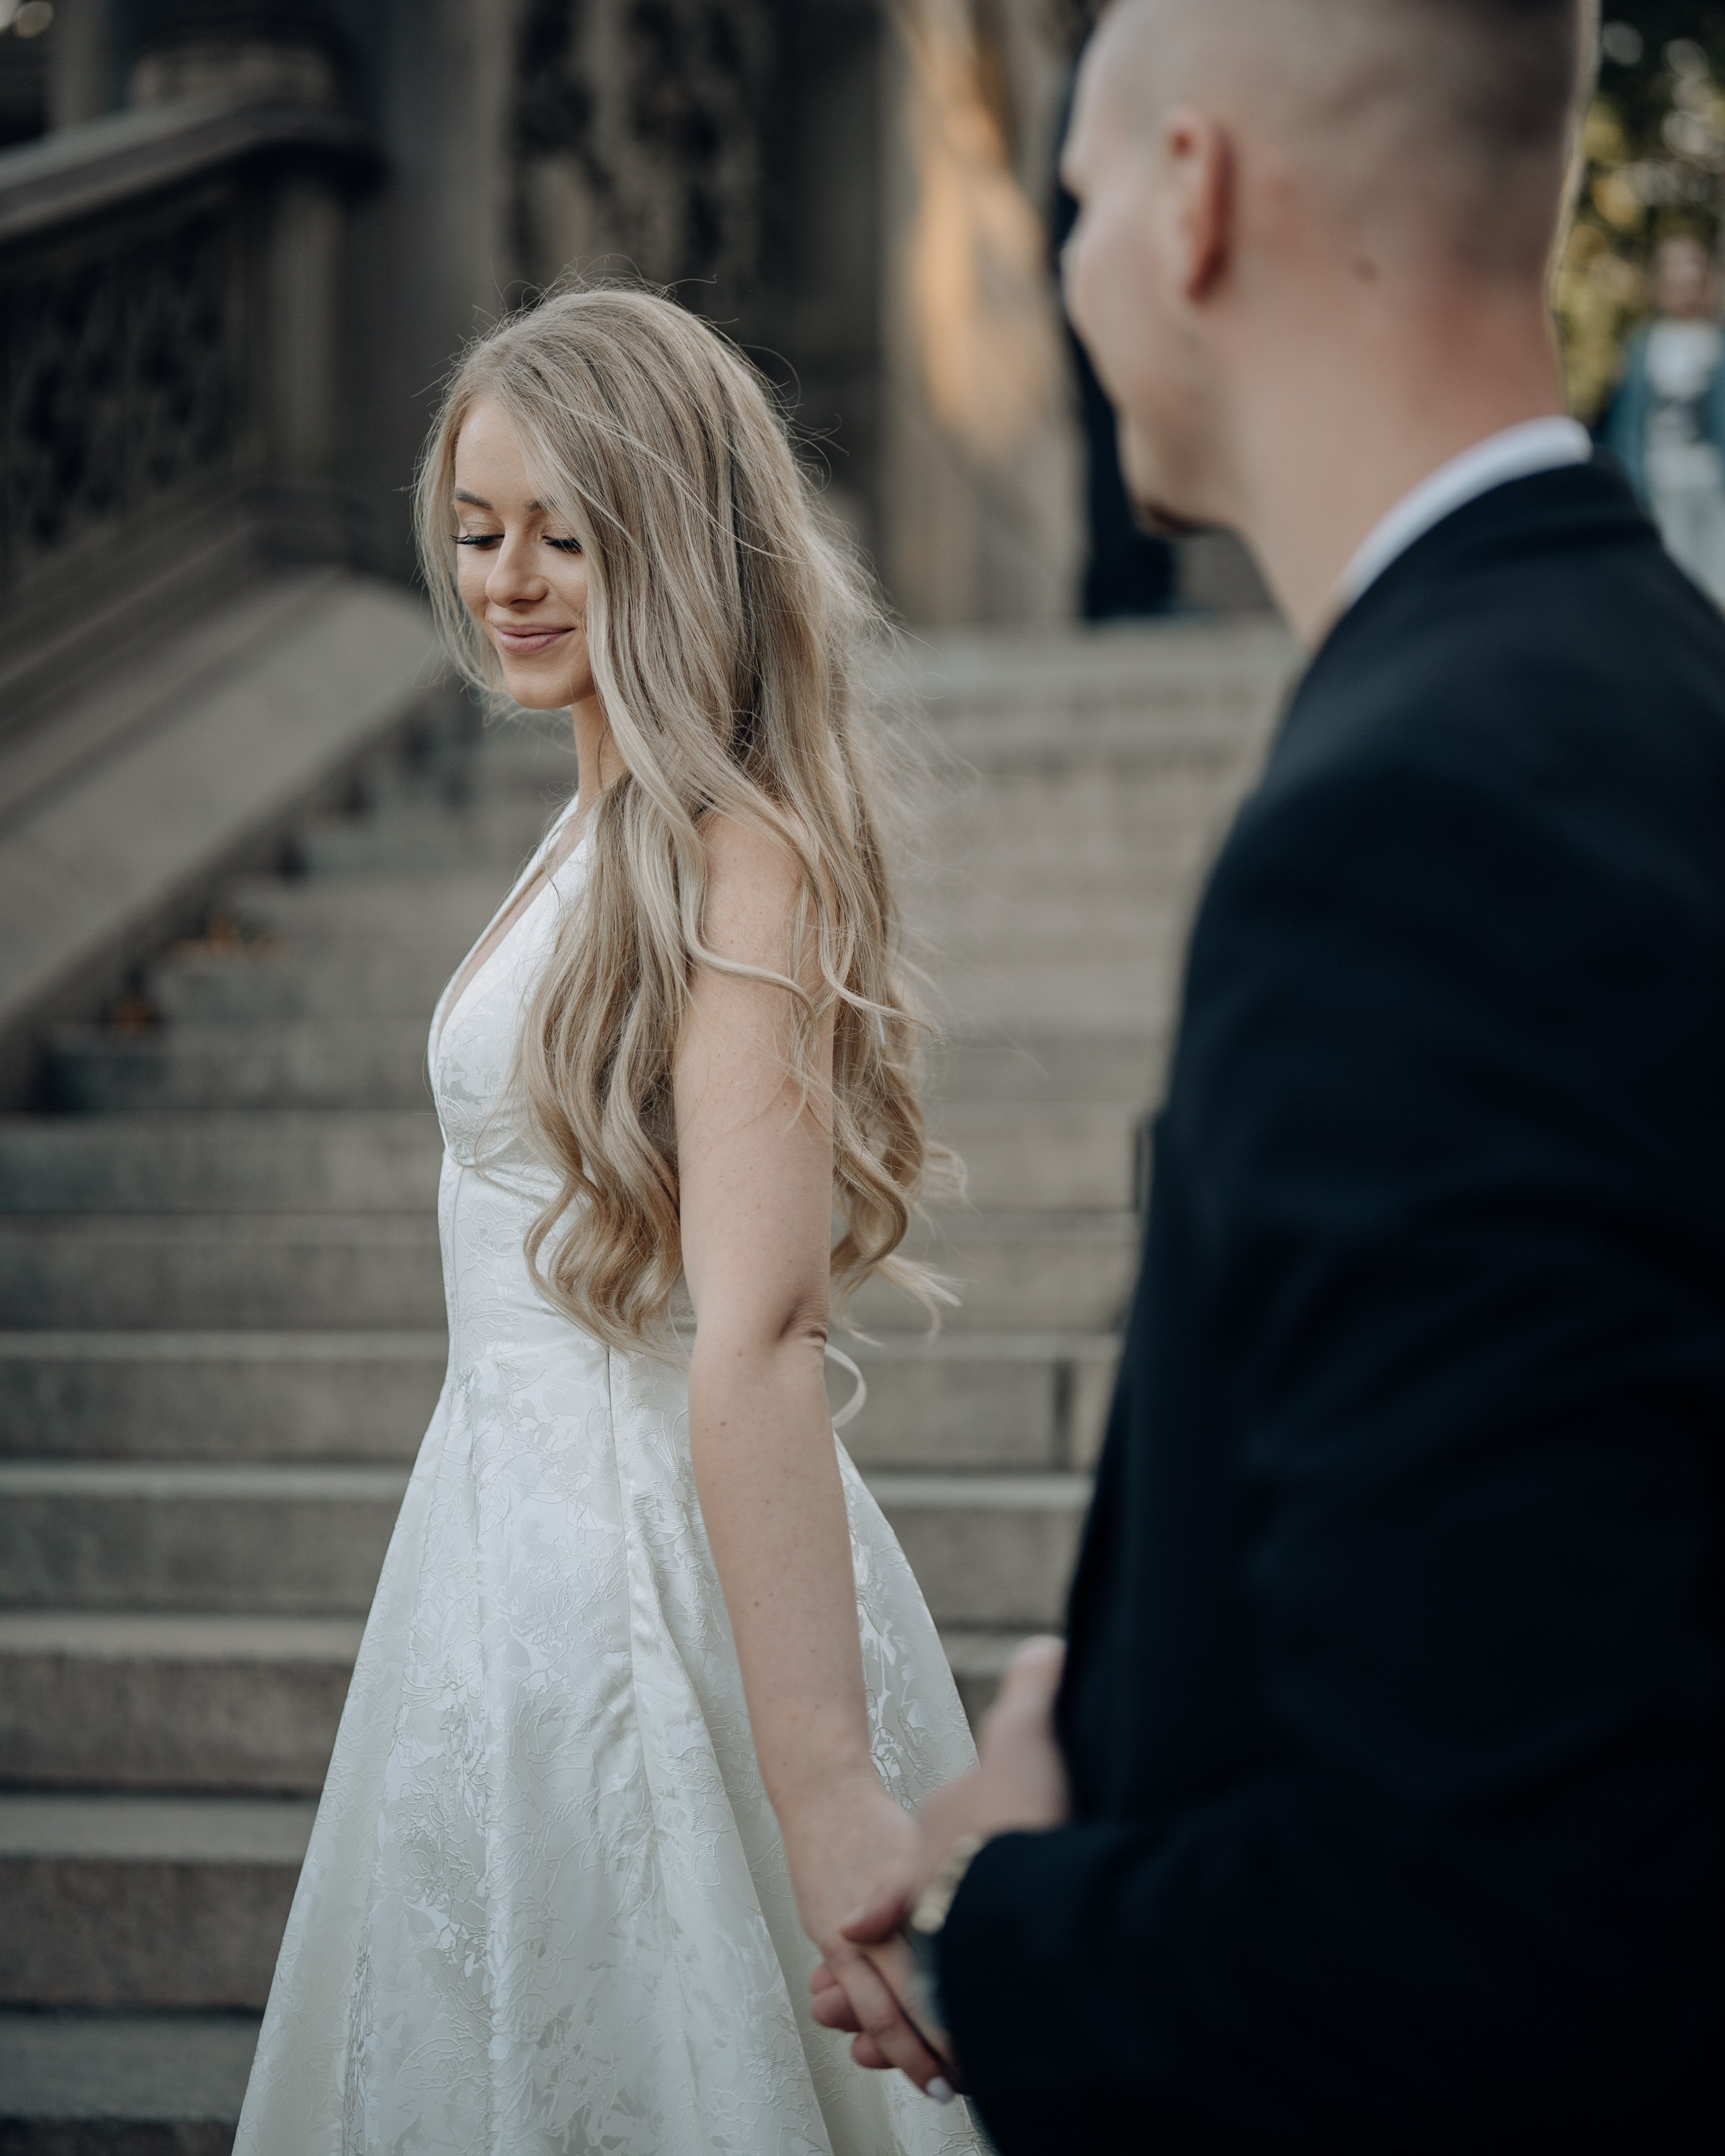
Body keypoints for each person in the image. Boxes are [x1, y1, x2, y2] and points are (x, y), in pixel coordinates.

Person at [813, 2, 1725, 2148]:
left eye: (1075, 200)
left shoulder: (1417, 825)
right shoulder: (1655, 704)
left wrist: (1001, 1909)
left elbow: (1490, 1915)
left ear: (1193, 199)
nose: (1070, 264)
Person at [234, 287, 985, 2156]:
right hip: (495, 1538)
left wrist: (819, 1781)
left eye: (565, 534)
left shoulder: (745, 853)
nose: (510, 579)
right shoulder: (595, 828)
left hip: (640, 1569)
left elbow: (762, 1327)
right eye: (479, 531)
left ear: (673, 538)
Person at [1601, 230, 1725, 604]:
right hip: (1659, 483)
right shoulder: (1644, 346)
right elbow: (1626, 425)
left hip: (1710, 484)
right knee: (1670, 583)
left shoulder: (1717, 344)